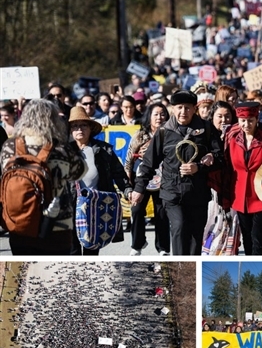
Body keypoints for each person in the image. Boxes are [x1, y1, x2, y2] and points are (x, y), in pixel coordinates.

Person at [131, 90, 223, 255]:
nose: (183, 112)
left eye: (187, 108)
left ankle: (192, 271)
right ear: (172, 109)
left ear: (195, 108)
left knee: (196, 237)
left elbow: (220, 158)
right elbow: (148, 163)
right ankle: (180, 267)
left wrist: (200, 167)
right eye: (179, 107)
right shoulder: (164, 132)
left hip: (198, 193)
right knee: (179, 227)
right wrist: (139, 188)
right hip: (172, 191)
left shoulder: (206, 129)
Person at [0, 99, 86, 255]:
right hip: (57, 227)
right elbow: (80, 172)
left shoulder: (9, 146)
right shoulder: (61, 148)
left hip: (20, 223)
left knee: (25, 274)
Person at [222, 102, 262, 255]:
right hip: (239, 193)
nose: (246, 124)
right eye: (242, 120)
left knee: (257, 232)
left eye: (250, 120)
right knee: (246, 233)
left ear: (257, 119)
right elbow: (227, 165)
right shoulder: (232, 136)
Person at [68, 106, 133, 255]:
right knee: (72, 250)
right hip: (70, 207)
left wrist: (127, 190)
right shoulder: (64, 152)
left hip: (95, 206)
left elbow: (119, 174)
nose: (79, 129)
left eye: (83, 125)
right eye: (75, 126)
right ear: (70, 130)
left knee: (92, 247)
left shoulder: (104, 150)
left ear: (90, 128)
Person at [123, 102, 171, 256]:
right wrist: (128, 186)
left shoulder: (170, 134)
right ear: (149, 116)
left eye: (163, 113)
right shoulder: (140, 135)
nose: (159, 117)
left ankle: (163, 248)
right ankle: (137, 244)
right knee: (136, 209)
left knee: (161, 213)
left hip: (163, 180)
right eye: (156, 114)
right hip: (142, 178)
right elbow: (129, 160)